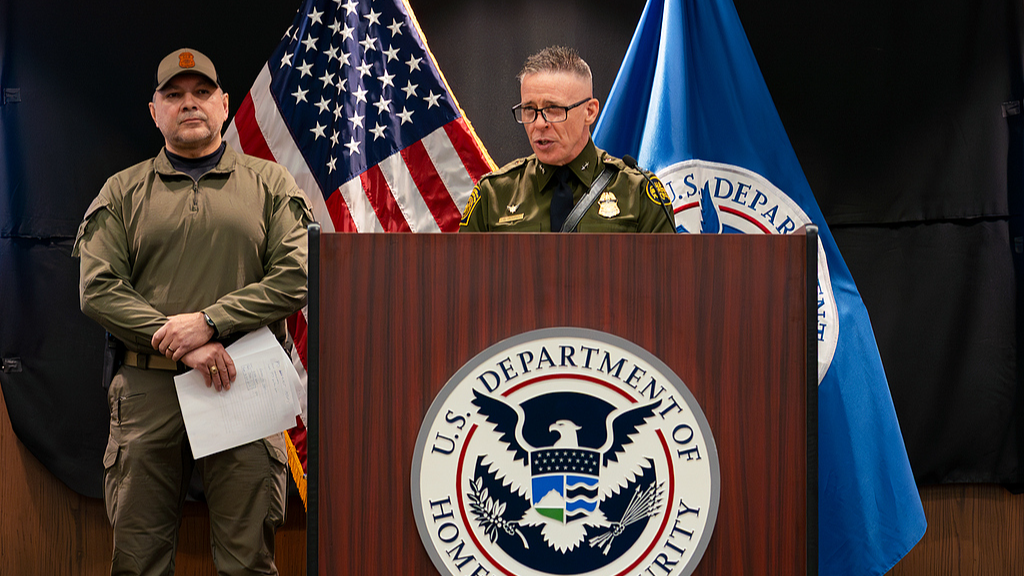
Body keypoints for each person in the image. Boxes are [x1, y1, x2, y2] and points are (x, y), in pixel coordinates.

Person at [72, 48, 312, 576]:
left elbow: (297, 275)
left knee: (248, 560)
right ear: (153, 111)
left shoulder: (270, 185)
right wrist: (178, 338)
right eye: (174, 95)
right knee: (138, 561)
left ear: (224, 104)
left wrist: (211, 322)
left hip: (244, 378)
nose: (189, 104)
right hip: (146, 389)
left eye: (201, 93)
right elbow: (98, 288)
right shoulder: (123, 190)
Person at [459, 45, 675, 233]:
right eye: (529, 110)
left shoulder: (638, 192)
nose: (539, 124)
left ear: (589, 112)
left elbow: (666, 276)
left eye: (553, 109)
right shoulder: (494, 195)